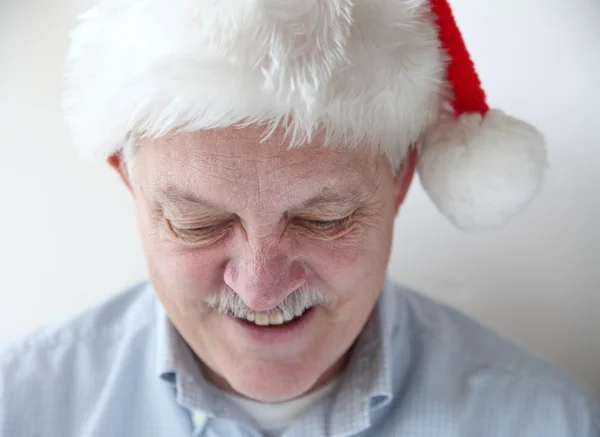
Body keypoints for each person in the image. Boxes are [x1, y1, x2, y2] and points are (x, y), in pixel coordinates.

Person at [1, 0, 598, 435]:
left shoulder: (548, 420)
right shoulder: (21, 408)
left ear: (400, 180)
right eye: (198, 221)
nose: (260, 288)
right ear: (129, 181)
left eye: (323, 218)